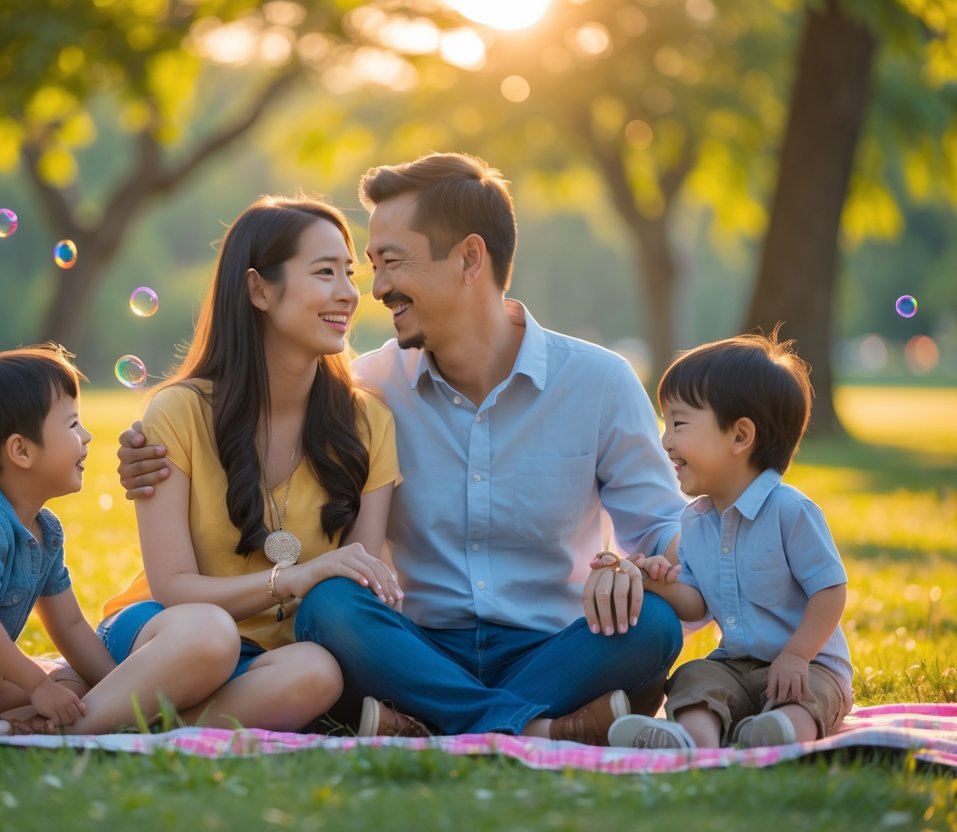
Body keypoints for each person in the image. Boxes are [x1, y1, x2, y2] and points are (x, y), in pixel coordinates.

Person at [118, 153, 687, 744]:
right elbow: (257, 417)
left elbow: (665, 527)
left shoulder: (599, 382)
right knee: (331, 605)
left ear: (470, 258)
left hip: (552, 648)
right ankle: (537, 727)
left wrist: (629, 566)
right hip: (410, 650)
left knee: (652, 623)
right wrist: (146, 455)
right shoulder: (364, 390)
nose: (375, 288)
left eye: (389, 262)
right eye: (368, 266)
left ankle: (455, 723)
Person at [96, 196, 404, 732]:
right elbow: (173, 587)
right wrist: (297, 578)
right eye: (325, 272)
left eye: (349, 273)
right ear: (259, 289)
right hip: (169, 632)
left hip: (273, 658)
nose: (349, 294)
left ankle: (136, 723)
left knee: (318, 673)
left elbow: (361, 576)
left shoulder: (369, 422)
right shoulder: (181, 411)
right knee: (208, 635)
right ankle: (65, 734)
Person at [0, 345, 242, 735]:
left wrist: (121, 687)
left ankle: (5, 728)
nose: (88, 436)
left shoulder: (45, 531)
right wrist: (36, 685)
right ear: (21, 451)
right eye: (73, 424)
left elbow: (72, 627)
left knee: (70, 684)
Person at [608, 332, 853, 749]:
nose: (665, 441)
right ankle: (693, 739)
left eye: (679, 423)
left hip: (809, 664)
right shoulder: (697, 520)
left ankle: (777, 733)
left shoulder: (790, 512)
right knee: (695, 676)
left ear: (740, 436)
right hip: (736, 667)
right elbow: (697, 603)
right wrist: (656, 582)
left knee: (808, 697)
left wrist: (796, 655)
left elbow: (830, 591)